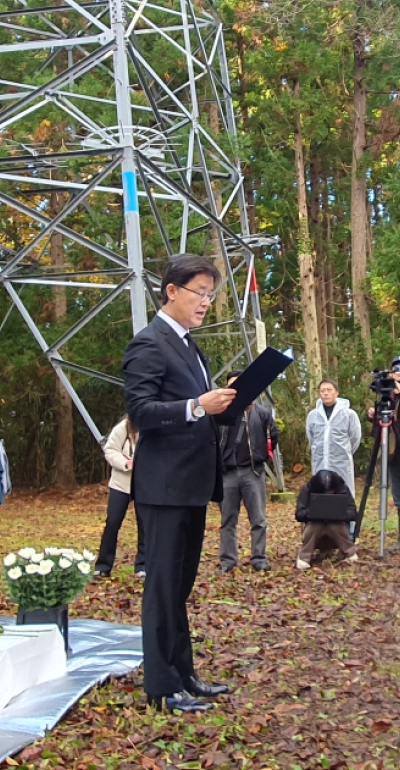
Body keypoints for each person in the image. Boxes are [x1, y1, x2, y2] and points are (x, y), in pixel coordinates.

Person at [123, 253, 236, 713]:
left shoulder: (190, 345)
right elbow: (141, 412)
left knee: (180, 586)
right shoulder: (149, 343)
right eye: (200, 293)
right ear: (172, 291)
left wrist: (229, 401)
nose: (206, 302)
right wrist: (196, 406)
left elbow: (202, 409)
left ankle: (183, 673)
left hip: (191, 485)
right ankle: (161, 686)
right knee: (163, 587)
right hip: (163, 487)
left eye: (211, 294)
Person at [218, 372, 279, 573]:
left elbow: (273, 437)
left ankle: (259, 558)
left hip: (252, 472)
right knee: (227, 520)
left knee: (258, 519)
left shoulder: (261, 413)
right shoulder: (221, 413)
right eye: (230, 386)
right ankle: (228, 561)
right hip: (227, 474)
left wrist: (261, 457)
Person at [94, 415, 145, 578]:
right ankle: (103, 566)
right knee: (113, 522)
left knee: (146, 525)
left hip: (146, 484)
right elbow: (110, 449)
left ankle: (143, 566)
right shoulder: (123, 427)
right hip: (121, 484)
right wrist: (124, 463)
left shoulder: (154, 425)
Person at [306, 379, 361, 499]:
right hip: (320, 462)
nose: (326, 393)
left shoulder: (349, 414)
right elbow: (311, 438)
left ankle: (347, 517)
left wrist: (344, 451)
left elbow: (355, 437)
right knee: (320, 492)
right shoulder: (313, 415)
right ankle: (322, 517)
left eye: (329, 390)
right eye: (322, 391)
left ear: (336, 393)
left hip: (341, 463)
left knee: (343, 492)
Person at [366, 358, 400, 550]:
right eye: (395, 369)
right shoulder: (389, 397)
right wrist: (375, 415)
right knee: (398, 497)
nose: (397, 373)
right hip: (395, 455)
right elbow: (380, 430)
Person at [294, 468, 359, 569]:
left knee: (334, 526)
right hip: (315, 527)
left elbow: (353, 513)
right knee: (315, 526)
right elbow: (299, 514)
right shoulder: (308, 488)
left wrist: (338, 513)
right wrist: (314, 512)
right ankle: (304, 557)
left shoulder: (342, 488)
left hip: (337, 528)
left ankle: (350, 553)